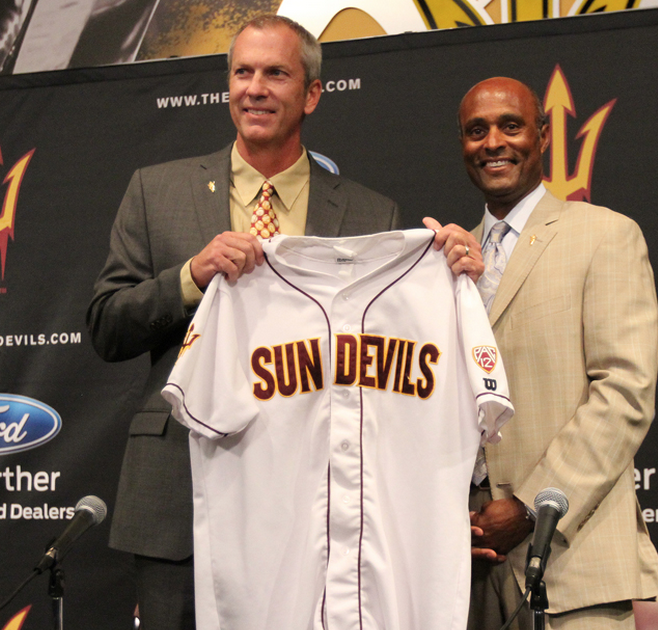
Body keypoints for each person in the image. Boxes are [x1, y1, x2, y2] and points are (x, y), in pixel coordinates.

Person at [87, 14, 480, 630]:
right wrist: (191, 275)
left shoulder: (370, 213)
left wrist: (449, 272)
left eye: (276, 73)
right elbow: (106, 326)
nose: (255, 88)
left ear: (312, 93)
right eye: (242, 72)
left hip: (316, 505)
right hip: (179, 499)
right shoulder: (155, 191)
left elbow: (394, 361)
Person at [459, 76, 658, 630]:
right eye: (477, 130)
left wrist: (530, 507)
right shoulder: (443, 262)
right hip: (462, 572)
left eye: (511, 125)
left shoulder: (606, 235)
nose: (493, 142)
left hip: (573, 565)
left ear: (543, 136)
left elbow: (624, 393)